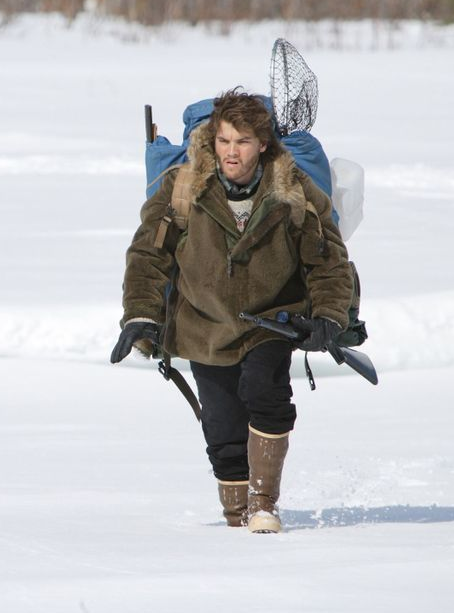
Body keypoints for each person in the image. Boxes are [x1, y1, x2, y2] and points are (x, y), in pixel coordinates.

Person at [110, 88, 353, 533]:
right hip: (204, 324)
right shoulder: (181, 187)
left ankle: (264, 505)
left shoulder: (292, 189)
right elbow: (147, 255)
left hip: (271, 320)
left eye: (241, 141)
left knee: (266, 392)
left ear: (263, 143)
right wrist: (140, 315)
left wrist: (330, 316)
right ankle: (236, 522)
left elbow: (328, 261)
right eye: (223, 141)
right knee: (222, 431)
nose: (231, 152)